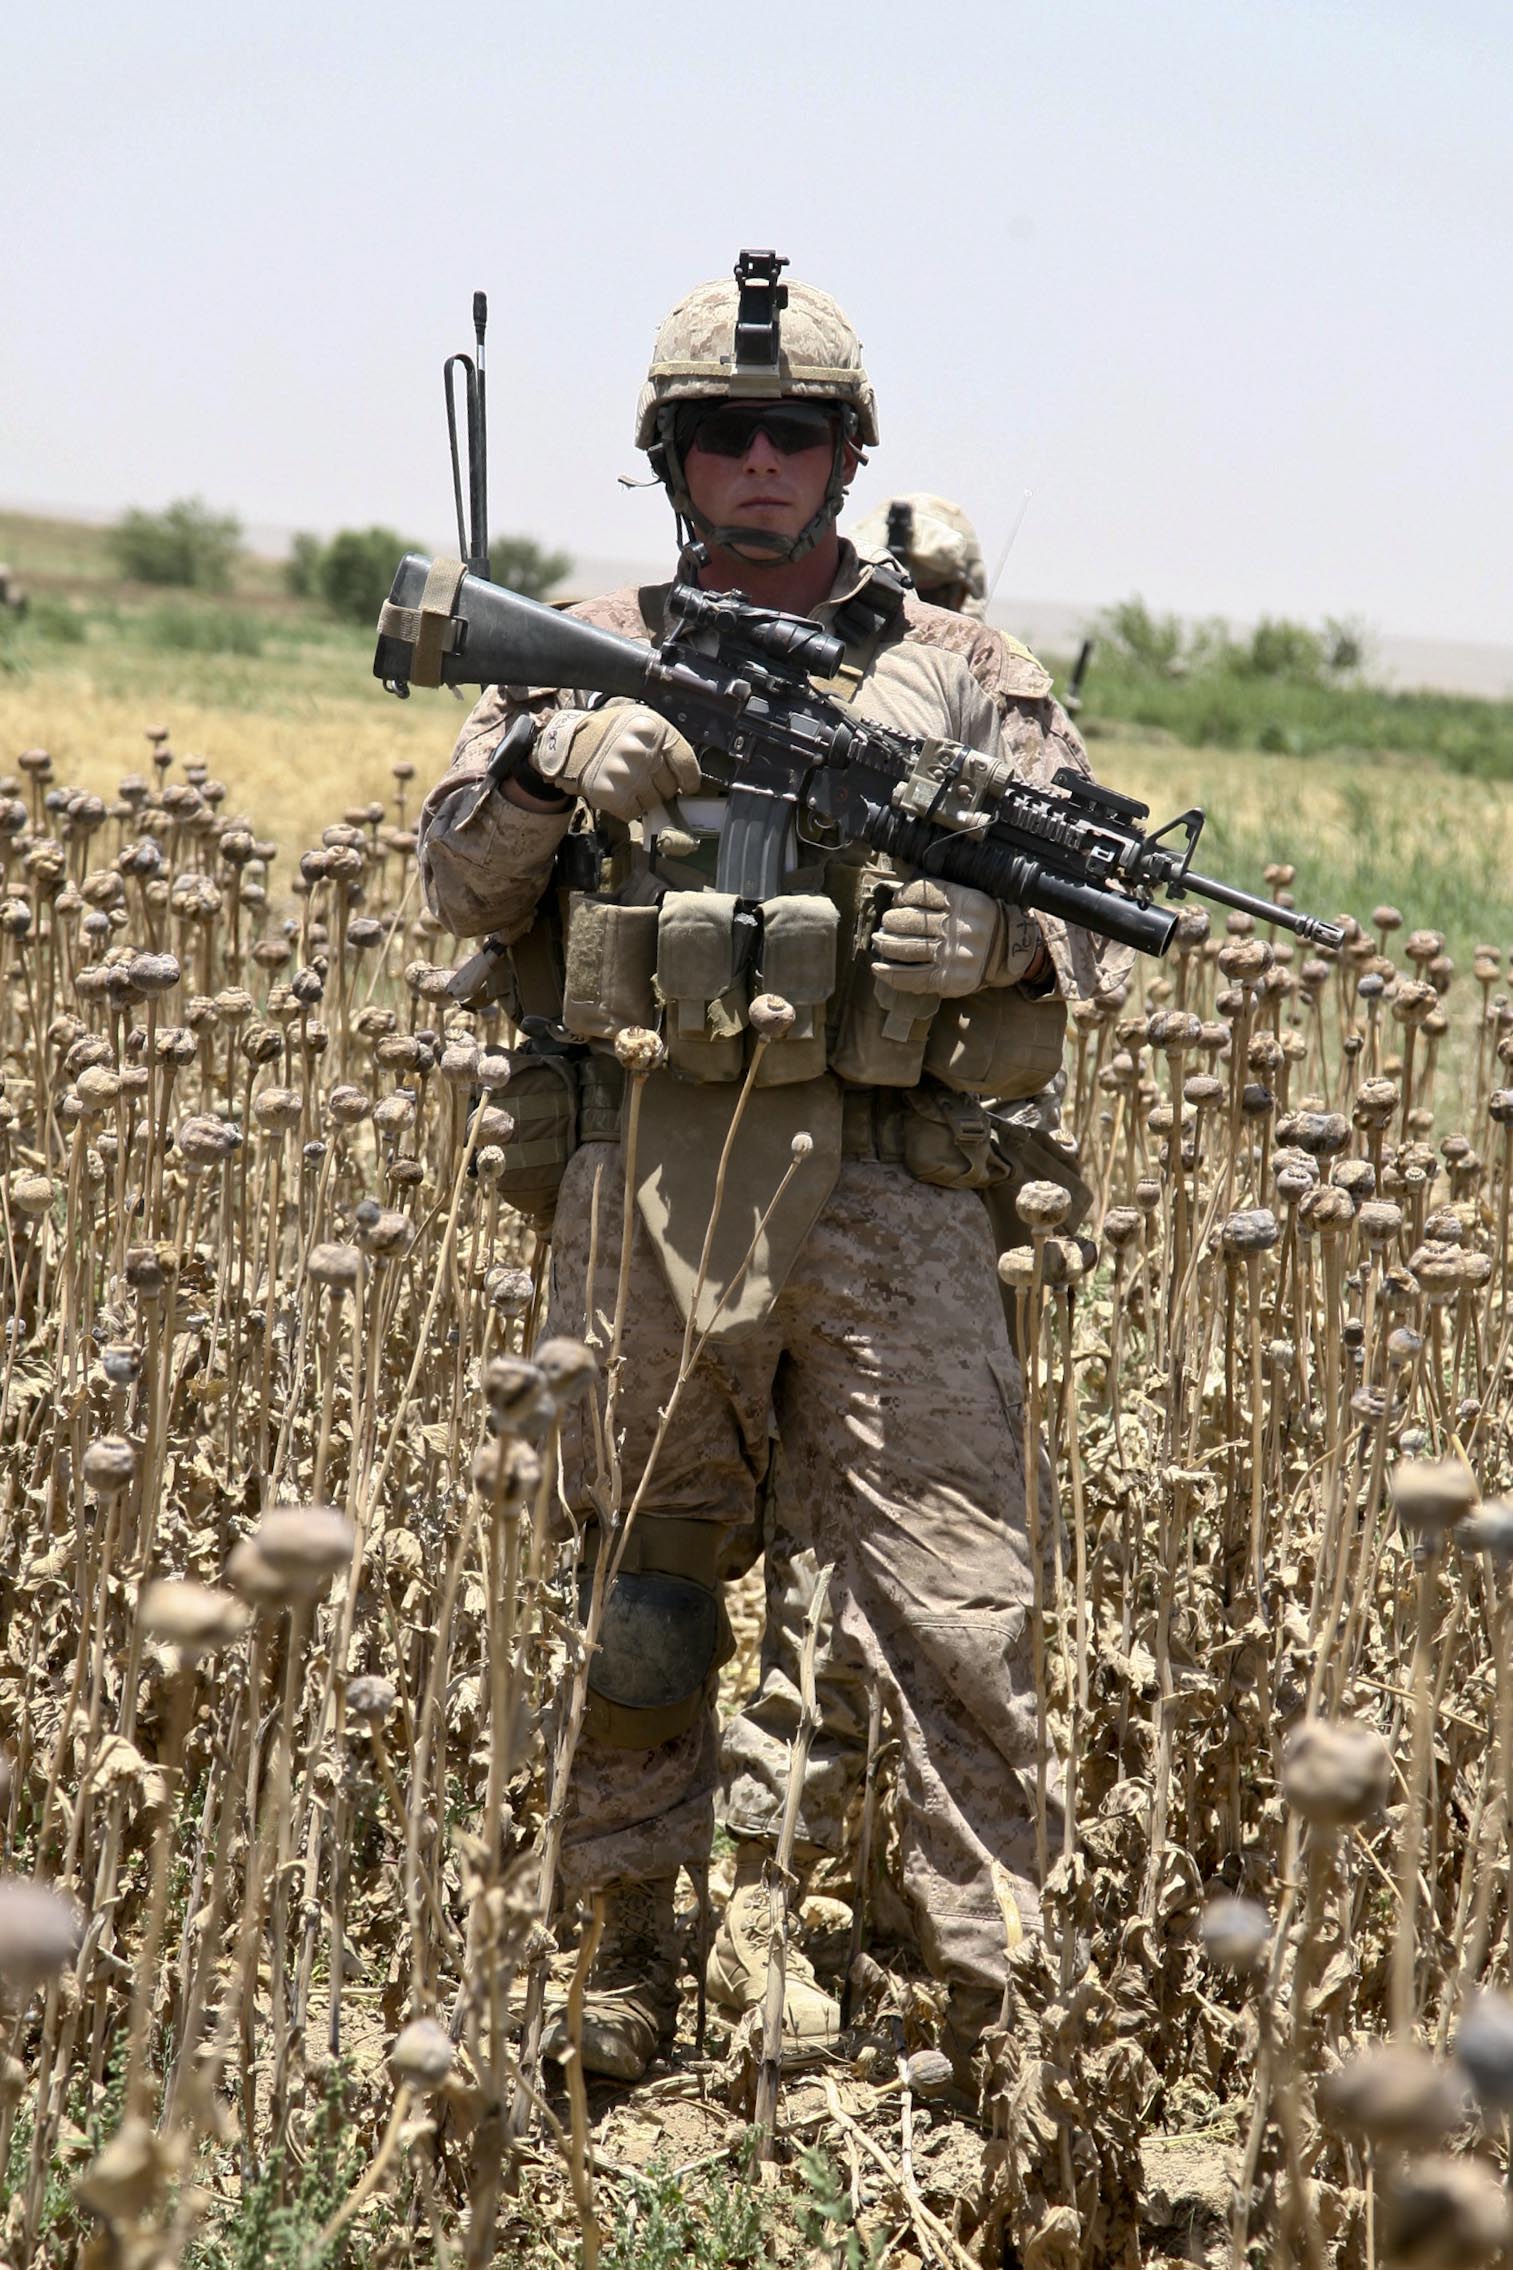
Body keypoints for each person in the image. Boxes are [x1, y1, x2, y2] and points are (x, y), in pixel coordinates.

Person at [417, 251, 1119, 2092]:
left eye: (791, 433)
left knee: (956, 1599)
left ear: (840, 450)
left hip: (890, 1190)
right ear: (671, 455)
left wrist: (986, 943)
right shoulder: (586, 638)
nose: (757, 463)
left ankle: (989, 1990)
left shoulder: (963, 669)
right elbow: (454, 887)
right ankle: (624, 1949)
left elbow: (1100, 908)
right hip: (640, 1166)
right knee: (642, 1585)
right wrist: (557, 766)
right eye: (722, 433)